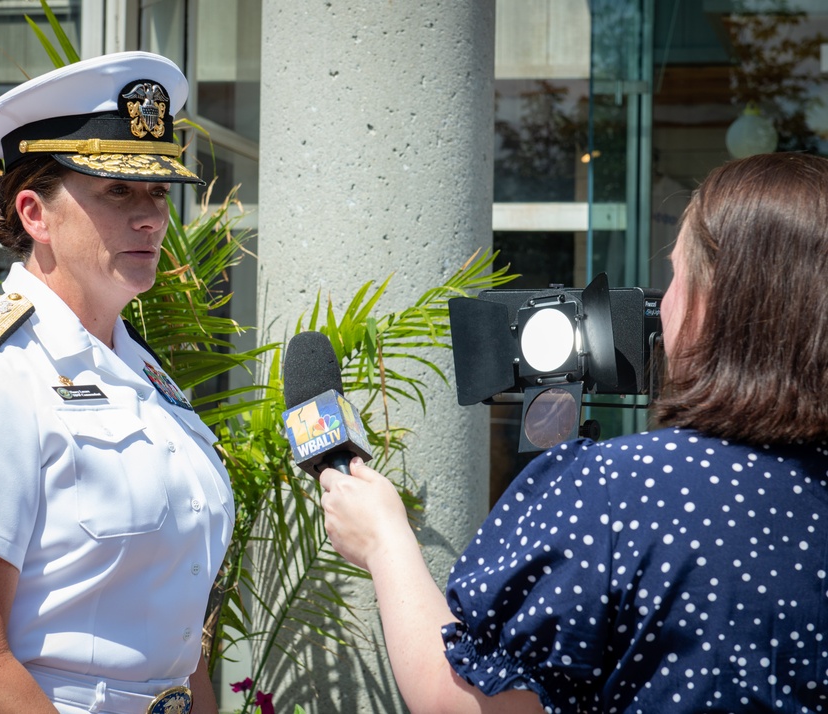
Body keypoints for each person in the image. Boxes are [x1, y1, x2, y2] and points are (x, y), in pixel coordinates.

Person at [318, 152, 828, 713]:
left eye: (675, 277)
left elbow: (463, 704)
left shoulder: (617, 491)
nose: (662, 306)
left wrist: (384, 542)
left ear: (715, 303)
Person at [0, 52, 234, 714]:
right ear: (35, 214)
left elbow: (176, 642)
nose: (151, 218)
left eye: (158, 193)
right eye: (118, 192)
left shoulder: (144, 374)